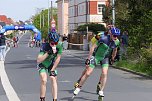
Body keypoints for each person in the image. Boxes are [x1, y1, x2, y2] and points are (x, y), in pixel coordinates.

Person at [73, 27, 120, 98]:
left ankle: (101, 88)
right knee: (88, 72)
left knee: (104, 73)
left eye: (117, 36)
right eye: (114, 35)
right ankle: (79, 85)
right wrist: (89, 58)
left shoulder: (116, 41)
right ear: (110, 33)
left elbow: (115, 50)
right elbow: (92, 44)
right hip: (96, 55)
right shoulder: (101, 36)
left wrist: (113, 58)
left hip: (105, 57)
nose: (115, 37)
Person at [37, 31, 63, 101]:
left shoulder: (60, 45)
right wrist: (48, 53)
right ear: (49, 41)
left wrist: (53, 69)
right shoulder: (44, 46)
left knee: (53, 78)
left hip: (51, 64)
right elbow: (39, 60)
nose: (54, 45)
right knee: (44, 80)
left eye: (56, 43)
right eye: (52, 43)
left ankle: (55, 99)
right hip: (43, 64)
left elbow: (58, 58)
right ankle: (42, 98)